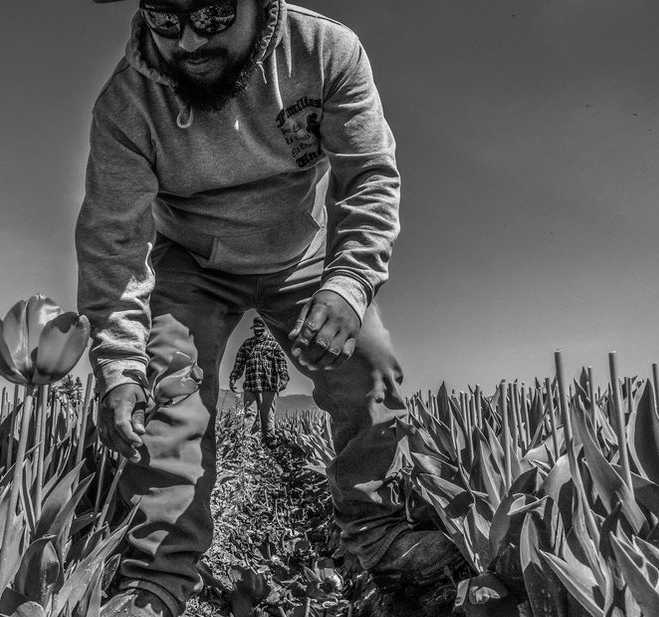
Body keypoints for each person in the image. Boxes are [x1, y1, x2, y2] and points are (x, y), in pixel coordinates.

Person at [76, 1, 464, 615]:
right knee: (167, 388)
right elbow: (114, 240)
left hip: (302, 255)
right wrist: (119, 364)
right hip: (192, 261)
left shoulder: (325, 52)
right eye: (165, 19)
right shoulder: (127, 103)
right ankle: (158, 578)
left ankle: (377, 530)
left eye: (211, 13)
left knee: (367, 368)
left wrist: (349, 283)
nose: (187, 42)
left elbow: (368, 175)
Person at [228, 316, 289, 443]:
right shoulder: (247, 344)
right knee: (250, 416)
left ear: (266, 329)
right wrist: (234, 377)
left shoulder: (274, 345)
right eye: (256, 329)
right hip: (250, 386)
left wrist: (283, 378)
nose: (258, 331)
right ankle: (249, 443)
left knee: (268, 417)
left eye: (260, 329)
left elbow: (281, 363)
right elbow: (240, 362)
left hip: (268, 386)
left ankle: (270, 444)